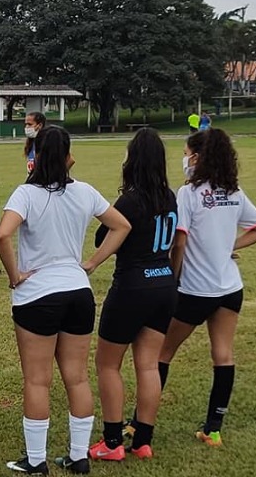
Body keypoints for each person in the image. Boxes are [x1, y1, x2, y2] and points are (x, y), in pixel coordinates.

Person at [0, 126, 131, 475]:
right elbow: (121, 226)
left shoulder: (26, 194)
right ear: (69, 156)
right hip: (77, 292)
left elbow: (2, 234)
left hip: (38, 295)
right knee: (77, 378)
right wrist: (90, 263)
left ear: (35, 155)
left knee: (37, 380)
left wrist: (14, 276)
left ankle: (37, 460)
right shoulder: (84, 192)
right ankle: (78, 456)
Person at [158, 129, 256, 447]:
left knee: (162, 353)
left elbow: (179, 240)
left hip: (195, 289)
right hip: (230, 288)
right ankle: (213, 428)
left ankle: (139, 421)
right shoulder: (233, 191)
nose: (183, 159)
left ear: (196, 157)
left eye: (185, 152)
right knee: (223, 355)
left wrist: (172, 277)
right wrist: (227, 245)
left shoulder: (189, 193)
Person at [85, 127, 178, 462]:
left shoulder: (131, 199)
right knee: (148, 364)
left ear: (132, 160)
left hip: (133, 286)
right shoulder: (170, 196)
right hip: (164, 283)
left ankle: (112, 443)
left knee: (108, 363)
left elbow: (102, 237)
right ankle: (143, 440)